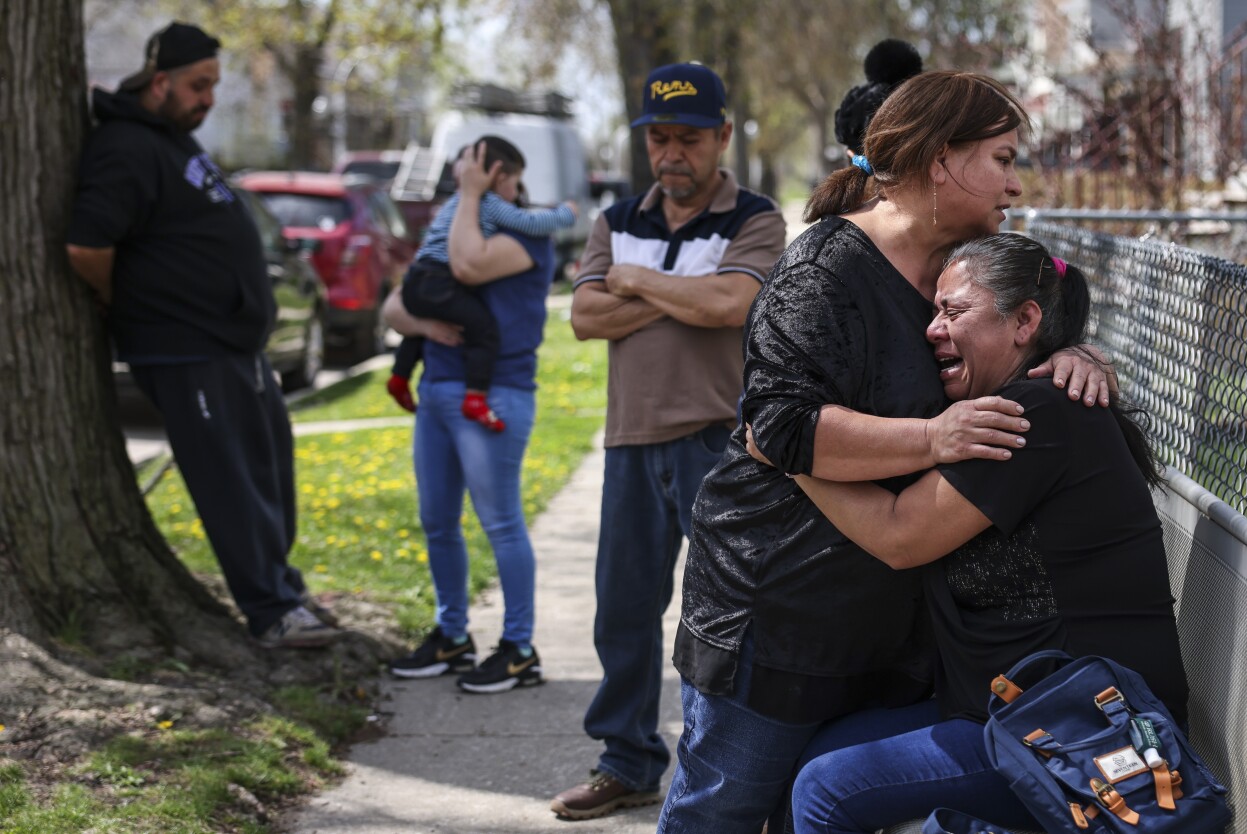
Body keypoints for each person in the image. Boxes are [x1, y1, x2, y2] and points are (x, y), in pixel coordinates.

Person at [662, 71, 1118, 833]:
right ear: (941, 160)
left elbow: (1024, 325)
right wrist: (934, 437)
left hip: (887, 628)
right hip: (775, 618)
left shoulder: (958, 268)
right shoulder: (822, 276)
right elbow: (777, 428)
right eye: (1000, 159)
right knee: (725, 813)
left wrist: (1080, 354)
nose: (1013, 184)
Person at [761, 234, 1185, 833]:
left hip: (1090, 736)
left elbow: (900, 536)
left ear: (1025, 321)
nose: (932, 329)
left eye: (954, 312)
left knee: (829, 787)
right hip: (1014, 715)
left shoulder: (1035, 415)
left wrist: (788, 451)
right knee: (815, 754)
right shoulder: (1011, 403)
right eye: (934, 311)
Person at [547, 62, 789, 821]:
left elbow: (733, 303)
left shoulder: (755, 217)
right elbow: (584, 318)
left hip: (718, 443)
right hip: (630, 442)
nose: (671, 153)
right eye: (659, 138)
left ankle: (732, 768)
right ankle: (627, 760)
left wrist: (637, 283)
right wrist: (681, 293)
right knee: (621, 610)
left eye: (687, 138)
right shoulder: (617, 220)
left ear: (721, 136)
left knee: (724, 615)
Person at [66, 21, 340, 649]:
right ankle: (269, 612)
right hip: (183, 348)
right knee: (228, 480)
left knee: (269, 467)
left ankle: (284, 586)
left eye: (213, 84)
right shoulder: (125, 147)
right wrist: (116, 298)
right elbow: (87, 244)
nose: (209, 98)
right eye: (199, 84)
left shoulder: (172, 140)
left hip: (232, 346)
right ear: (158, 81)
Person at [382, 139, 557, 694]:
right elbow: (394, 305)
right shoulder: (458, 221)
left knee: (500, 522)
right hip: (435, 390)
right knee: (437, 521)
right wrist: (426, 326)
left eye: (489, 177)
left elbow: (464, 265)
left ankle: (518, 648)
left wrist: (469, 193)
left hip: (495, 392)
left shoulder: (526, 233)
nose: (484, 184)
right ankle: (452, 635)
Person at [386, 137, 578, 431]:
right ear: (498, 177)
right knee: (483, 328)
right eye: (515, 181)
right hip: (439, 280)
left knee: (427, 315)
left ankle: (399, 376)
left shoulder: (451, 205)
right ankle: (476, 397)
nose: (515, 191)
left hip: (419, 277)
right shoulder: (486, 204)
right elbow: (530, 225)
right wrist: (565, 214)